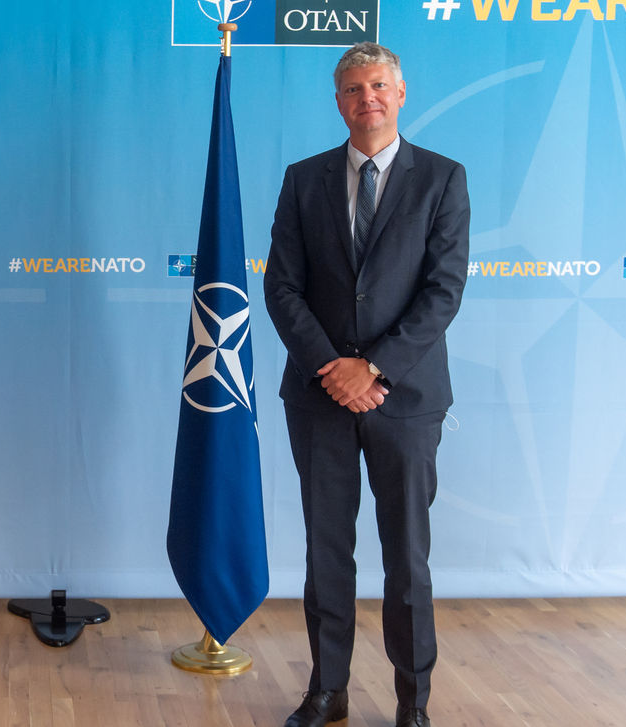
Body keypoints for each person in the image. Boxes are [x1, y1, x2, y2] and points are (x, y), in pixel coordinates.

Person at [264, 43, 469, 727]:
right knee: (326, 551)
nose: (367, 98)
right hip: (318, 396)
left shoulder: (443, 179)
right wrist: (334, 367)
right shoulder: (303, 180)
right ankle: (329, 690)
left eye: (379, 85)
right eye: (353, 88)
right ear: (338, 100)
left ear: (401, 93)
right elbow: (282, 287)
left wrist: (373, 368)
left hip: (405, 399)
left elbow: (442, 294)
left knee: (406, 557)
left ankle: (414, 702)